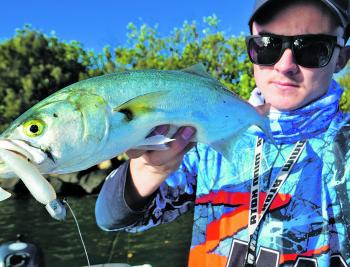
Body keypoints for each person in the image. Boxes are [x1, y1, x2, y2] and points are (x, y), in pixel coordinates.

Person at [95, 0, 350, 266]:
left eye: (311, 49)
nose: (285, 65)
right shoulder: (204, 139)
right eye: (268, 46)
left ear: (341, 58)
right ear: (251, 48)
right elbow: (110, 218)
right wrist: (149, 170)